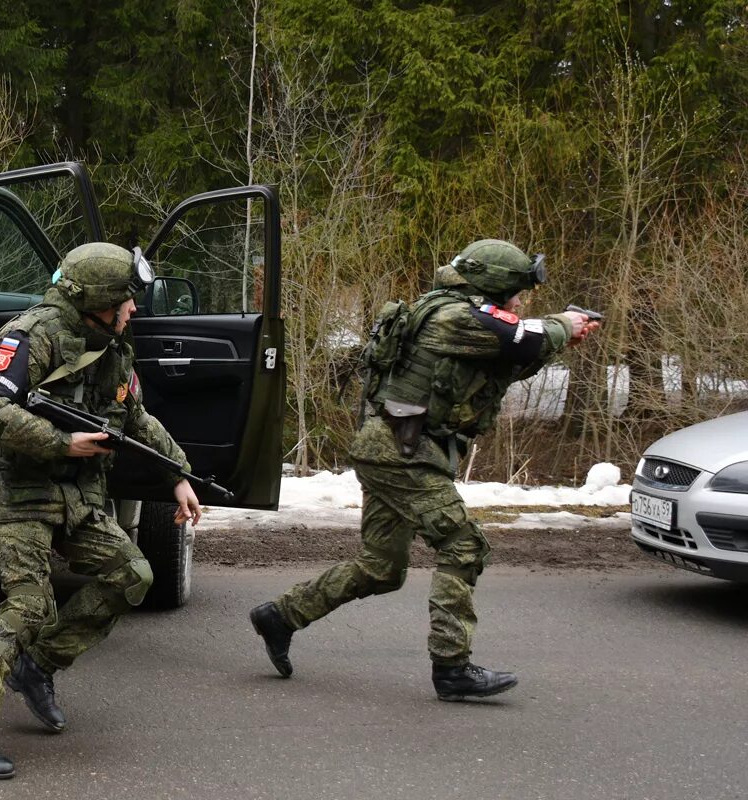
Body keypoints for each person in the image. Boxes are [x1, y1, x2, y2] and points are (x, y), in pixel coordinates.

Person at [249, 240, 600, 701]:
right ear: (493, 284)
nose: (519, 301)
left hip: (392, 447)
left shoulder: (457, 317)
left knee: (381, 568)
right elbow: (525, 337)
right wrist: (563, 324)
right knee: (464, 545)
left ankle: (280, 616)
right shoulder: (452, 317)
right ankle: (452, 668)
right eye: (515, 291)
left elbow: (506, 362)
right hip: (401, 452)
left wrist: (558, 340)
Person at [0, 242, 202, 779]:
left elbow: (137, 418)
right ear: (101, 297)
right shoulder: (31, 336)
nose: (134, 308)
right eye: (128, 298)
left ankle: (39, 665)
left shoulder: (113, 347)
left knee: (131, 574)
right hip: (15, 490)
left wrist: (179, 476)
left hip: (73, 494)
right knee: (29, 605)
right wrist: (62, 444)